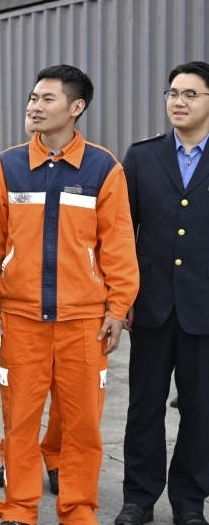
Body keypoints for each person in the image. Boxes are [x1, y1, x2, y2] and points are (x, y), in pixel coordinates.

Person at [0, 64, 138, 525]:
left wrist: (118, 307)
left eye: (47, 99)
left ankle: (79, 510)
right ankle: (18, 509)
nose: (35, 106)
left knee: (83, 426)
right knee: (20, 422)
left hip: (83, 323)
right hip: (21, 319)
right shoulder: (7, 166)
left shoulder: (103, 168)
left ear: (76, 107)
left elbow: (118, 245)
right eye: (33, 98)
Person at [116, 61, 209, 525]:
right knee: (145, 406)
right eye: (173, 93)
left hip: (204, 308)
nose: (179, 101)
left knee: (201, 409)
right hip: (150, 306)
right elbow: (121, 233)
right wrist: (123, 299)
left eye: (191, 94)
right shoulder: (142, 156)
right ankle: (139, 497)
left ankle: (190, 501)